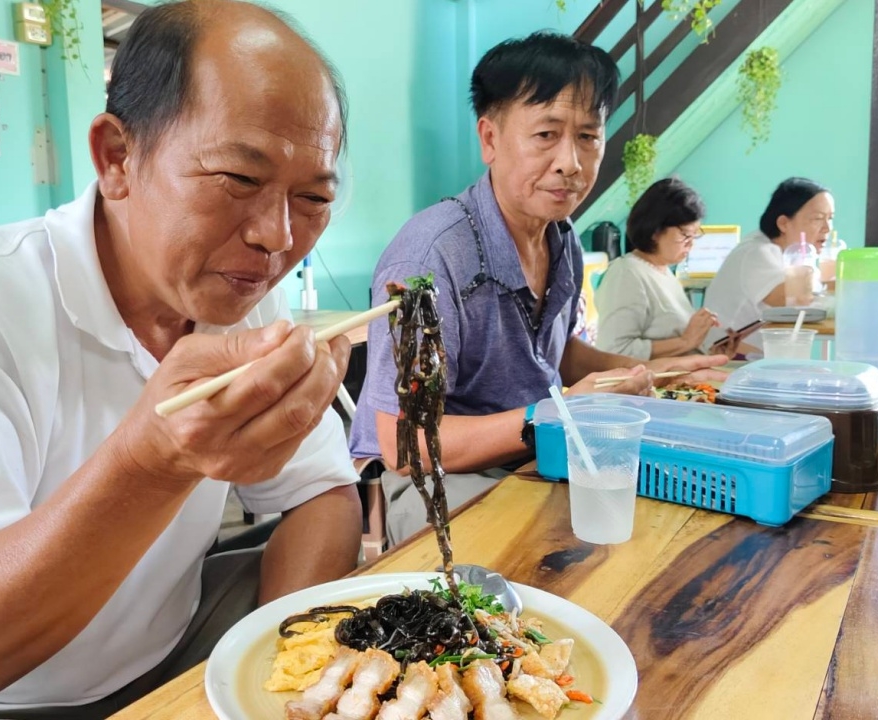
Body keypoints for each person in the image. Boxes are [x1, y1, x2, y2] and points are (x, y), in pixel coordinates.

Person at [0, 3, 363, 719]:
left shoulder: (241, 300)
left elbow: (323, 494)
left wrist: (290, 678)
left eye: (312, 197)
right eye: (237, 180)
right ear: (117, 158)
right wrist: (155, 461)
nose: (276, 236)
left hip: (159, 652)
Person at [349, 33, 727, 546]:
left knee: (672, 523)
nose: (571, 162)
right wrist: (559, 413)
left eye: (588, 137)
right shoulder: (430, 258)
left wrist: (648, 371)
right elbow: (403, 443)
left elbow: (554, 356)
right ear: (490, 139)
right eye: (546, 134)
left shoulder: (562, 239)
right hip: (436, 479)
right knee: (565, 556)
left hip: (535, 449)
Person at [702, 177, 835, 354]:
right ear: (783, 223)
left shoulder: (787, 253)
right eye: (818, 218)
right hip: (728, 357)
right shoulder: (757, 252)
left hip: (757, 355)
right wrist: (813, 263)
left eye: (830, 218)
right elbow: (796, 301)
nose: (827, 228)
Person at [594, 178, 719, 360]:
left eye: (695, 236)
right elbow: (614, 350)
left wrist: (712, 351)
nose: (691, 245)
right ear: (655, 231)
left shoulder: (664, 271)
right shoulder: (626, 273)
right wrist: (685, 342)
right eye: (685, 235)